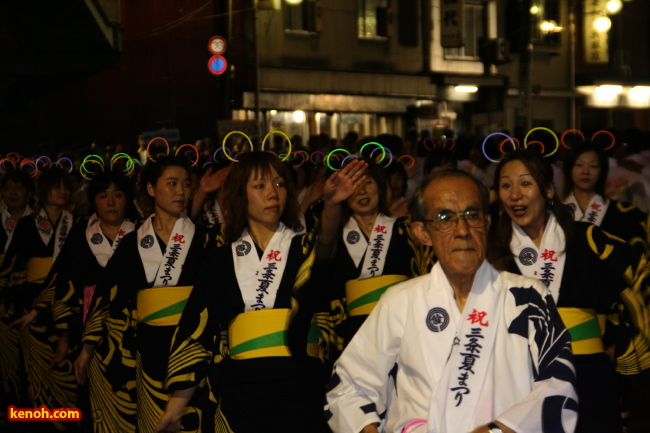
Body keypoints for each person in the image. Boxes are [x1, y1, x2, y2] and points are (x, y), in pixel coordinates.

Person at [326, 169, 578, 433]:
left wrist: (497, 430)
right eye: (444, 218)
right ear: (422, 232)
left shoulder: (527, 296)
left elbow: (558, 382)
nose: (463, 230)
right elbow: (349, 387)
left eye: (472, 215)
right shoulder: (401, 301)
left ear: (488, 222)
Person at [154, 152, 368, 433]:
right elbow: (198, 329)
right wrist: (176, 406)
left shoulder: (303, 248)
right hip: (240, 388)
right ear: (239, 196)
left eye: (279, 185)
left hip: (301, 383)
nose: (272, 194)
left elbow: (326, 244)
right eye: (260, 186)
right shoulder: (220, 259)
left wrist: (330, 204)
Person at [488, 149, 650, 433]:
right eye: (505, 185)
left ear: (549, 189)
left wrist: (618, 344)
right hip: (517, 373)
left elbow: (640, 279)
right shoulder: (492, 251)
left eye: (525, 183)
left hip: (586, 370)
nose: (515, 195)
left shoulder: (588, 238)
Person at [76, 155, 226, 433]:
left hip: (194, 345)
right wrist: (87, 347)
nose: (181, 191)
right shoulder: (133, 242)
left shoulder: (207, 238)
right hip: (149, 347)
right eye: (171, 184)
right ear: (151, 189)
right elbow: (109, 293)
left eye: (186, 184)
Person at [321, 160, 433, 368]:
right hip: (353, 337)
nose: (362, 191)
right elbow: (321, 250)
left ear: (381, 188)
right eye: (354, 185)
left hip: (402, 330)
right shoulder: (334, 234)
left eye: (368, 183)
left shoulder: (405, 229)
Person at [0, 166, 75, 432]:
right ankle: (38, 420)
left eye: (65, 187)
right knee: (36, 364)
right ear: (43, 191)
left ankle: (67, 418)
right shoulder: (26, 225)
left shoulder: (75, 222)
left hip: (66, 302)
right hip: (31, 302)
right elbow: (13, 266)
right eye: (56, 187)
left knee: (65, 360)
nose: (62, 192)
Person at [562, 141, 648, 253]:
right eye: (579, 165)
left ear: (601, 171)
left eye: (593, 166)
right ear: (569, 169)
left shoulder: (622, 213)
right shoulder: (557, 212)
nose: (585, 172)